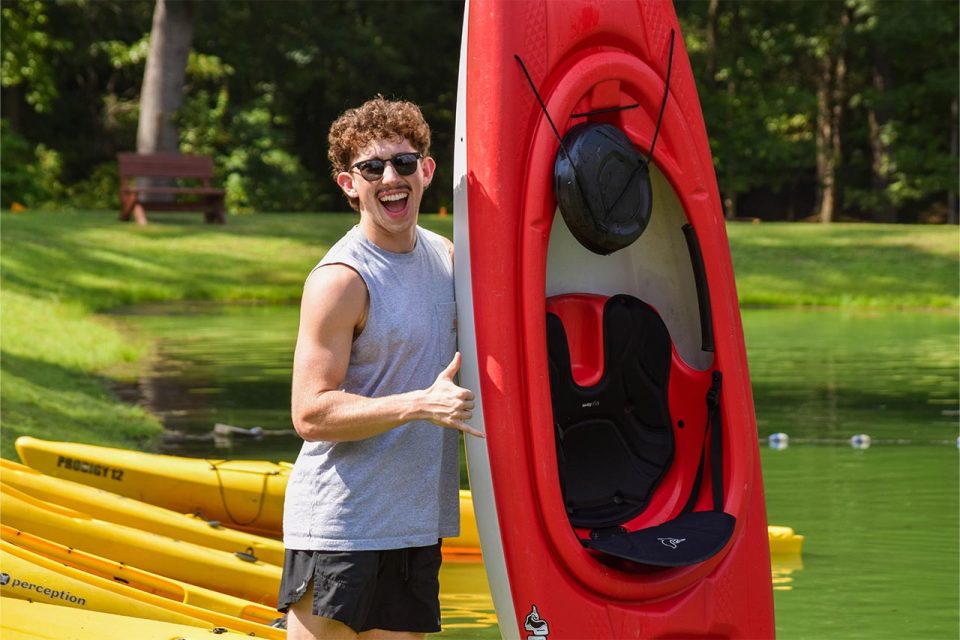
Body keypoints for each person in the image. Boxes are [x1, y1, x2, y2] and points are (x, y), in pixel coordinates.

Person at [279, 96, 483, 640]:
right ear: (350, 184)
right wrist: (419, 403)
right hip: (343, 525)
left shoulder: (447, 259)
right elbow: (311, 413)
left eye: (404, 162)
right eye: (373, 168)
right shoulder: (341, 280)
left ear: (428, 170)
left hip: (416, 526)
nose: (391, 177)